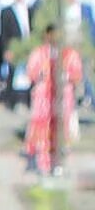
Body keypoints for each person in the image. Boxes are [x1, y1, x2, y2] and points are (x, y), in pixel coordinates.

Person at [25, 22, 83, 176]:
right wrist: (41, 75)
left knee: (61, 131)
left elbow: (77, 75)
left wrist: (66, 76)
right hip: (43, 100)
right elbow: (31, 73)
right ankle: (42, 164)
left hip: (62, 98)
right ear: (46, 36)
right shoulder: (39, 53)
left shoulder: (70, 54)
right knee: (42, 132)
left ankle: (59, 164)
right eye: (52, 34)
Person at [1, 0, 33, 109]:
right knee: (12, 73)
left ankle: (28, 100)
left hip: (28, 44)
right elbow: (4, 33)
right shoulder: (7, 11)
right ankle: (10, 101)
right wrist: (6, 49)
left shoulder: (29, 9)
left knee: (30, 72)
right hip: (14, 45)